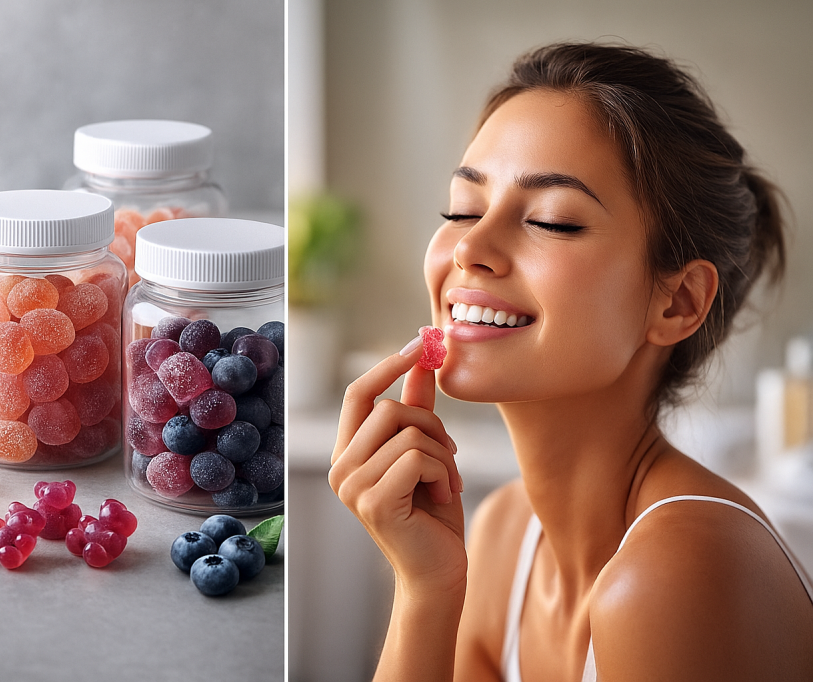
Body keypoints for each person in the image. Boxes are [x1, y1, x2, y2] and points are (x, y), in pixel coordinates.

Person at [328, 42, 813, 681]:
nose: (470, 245)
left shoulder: (681, 574)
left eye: (554, 222)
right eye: (462, 209)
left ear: (678, 302)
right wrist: (424, 589)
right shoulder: (505, 534)